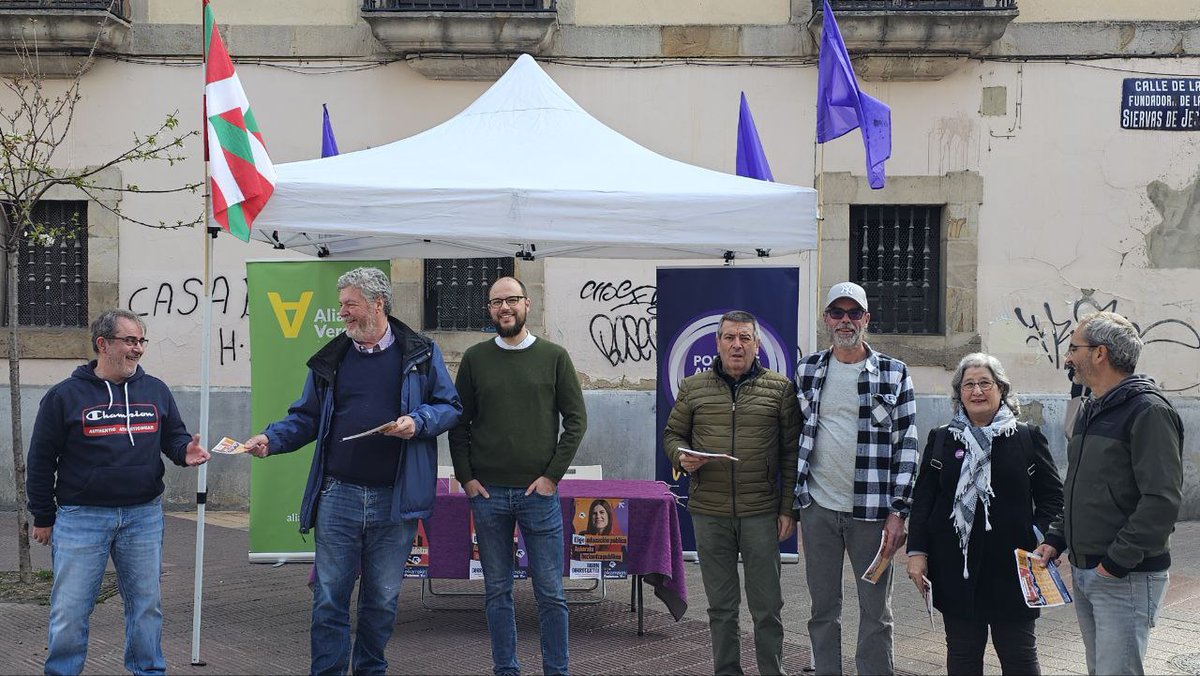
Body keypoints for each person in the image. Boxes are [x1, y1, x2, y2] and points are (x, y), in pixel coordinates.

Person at [242, 267, 461, 675]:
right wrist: (271, 439)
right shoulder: (333, 358)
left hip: (394, 497)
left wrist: (419, 421)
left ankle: (369, 670)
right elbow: (305, 417)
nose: (342, 313)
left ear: (377, 304)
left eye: (349, 305)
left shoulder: (421, 353)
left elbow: (450, 406)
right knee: (329, 597)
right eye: (341, 304)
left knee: (381, 600)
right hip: (338, 495)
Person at [26, 309, 211, 675]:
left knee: (145, 606)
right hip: (82, 518)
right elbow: (41, 460)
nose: (138, 349)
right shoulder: (64, 396)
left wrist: (182, 451)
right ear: (102, 344)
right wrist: (44, 516)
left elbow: (173, 435)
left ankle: (148, 670)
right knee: (70, 609)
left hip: (142, 516)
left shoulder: (155, 389)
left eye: (142, 341)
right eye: (130, 341)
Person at [448, 276, 587, 676]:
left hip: (538, 495)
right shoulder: (475, 359)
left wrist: (551, 476)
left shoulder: (554, 357)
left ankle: (556, 671)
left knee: (551, 595)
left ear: (528, 305)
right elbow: (460, 423)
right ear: (489, 310)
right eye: (496, 302)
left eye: (511, 300)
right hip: (488, 494)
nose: (504, 308)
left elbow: (576, 421)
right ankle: (505, 669)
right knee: (497, 593)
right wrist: (467, 476)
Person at [1034, 311, 1183, 675]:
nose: (1067, 358)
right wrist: (1057, 537)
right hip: (1089, 570)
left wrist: (1114, 564)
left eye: (1074, 348)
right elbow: (1079, 485)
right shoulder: (1089, 408)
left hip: (1125, 575)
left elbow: (1161, 501)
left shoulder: (1149, 411)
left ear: (1100, 353)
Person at [906, 353, 1063, 674]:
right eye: (968, 385)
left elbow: (1052, 497)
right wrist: (917, 552)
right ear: (959, 393)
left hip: (1014, 567)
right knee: (963, 656)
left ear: (1001, 389)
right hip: (955, 566)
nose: (977, 391)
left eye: (985, 383)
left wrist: (1045, 538)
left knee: (1019, 656)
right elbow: (924, 501)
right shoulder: (942, 439)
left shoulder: (1026, 438)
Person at [663, 310, 800, 676]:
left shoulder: (781, 389)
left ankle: (773, 671)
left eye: (744, 338)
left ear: (757, 344)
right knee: (721, 607)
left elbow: (791, 453)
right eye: (729, 338)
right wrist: (680, 455)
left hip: (761, 512)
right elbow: (672, 435)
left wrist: (789, 509)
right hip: (710, 512)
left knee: (767, 605)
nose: (736, 345)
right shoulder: (693, 387)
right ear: (717, 343)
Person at [793, 282, 918, 676]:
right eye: (837, 313)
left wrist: (899, 513)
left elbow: (908, 448)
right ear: (827, 319)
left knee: (876, 610)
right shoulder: (808, 370)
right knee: (822, 608)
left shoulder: (894, 373)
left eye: (853, 313)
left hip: (872, 515)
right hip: (819, 509)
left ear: (866, 318)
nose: (845, 321)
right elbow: (794, 437)